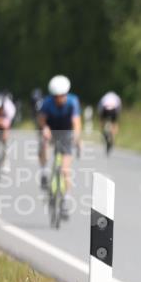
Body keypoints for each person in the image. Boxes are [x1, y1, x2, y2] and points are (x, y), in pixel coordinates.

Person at [37, 75, 81, 216]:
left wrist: (77, 137)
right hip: (51, 130)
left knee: (65, 170)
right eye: (56, 96)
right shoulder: (47, 102)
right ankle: (44, 171)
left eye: (61, 96)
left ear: (66, 94)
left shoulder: (73, 102)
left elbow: (76, 122)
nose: (59, 99)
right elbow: (42, 120)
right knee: (43, 145)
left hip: (66, 132)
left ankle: (66, 200)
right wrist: (44, 128)